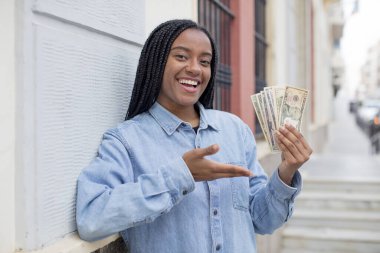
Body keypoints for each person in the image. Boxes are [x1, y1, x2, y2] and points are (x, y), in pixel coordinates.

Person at [76, 19, 312, 252]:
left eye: (205, 61)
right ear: (156, 62)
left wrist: (286, 172)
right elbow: (92, 218)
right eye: (181, 56)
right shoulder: (126, 140)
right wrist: (180, 175)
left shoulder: (235, 130)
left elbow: (264, 220)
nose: (195, 68)